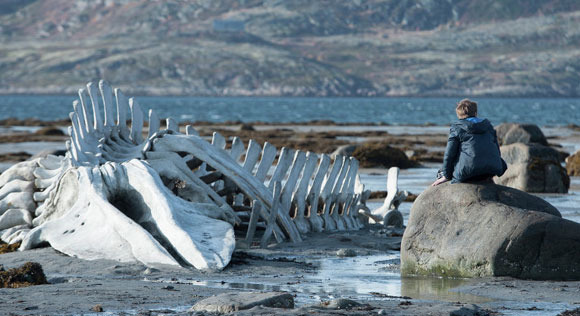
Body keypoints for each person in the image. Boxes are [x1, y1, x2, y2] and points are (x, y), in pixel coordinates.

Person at [432, 99, 507, 186]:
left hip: (468, 172)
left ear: (459, 115)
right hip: (492, 170)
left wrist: (446, 176)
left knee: (441, 172)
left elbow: (449, 155)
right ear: (475, 113)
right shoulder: (488, 126)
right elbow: (497, 151)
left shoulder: (457, 128)